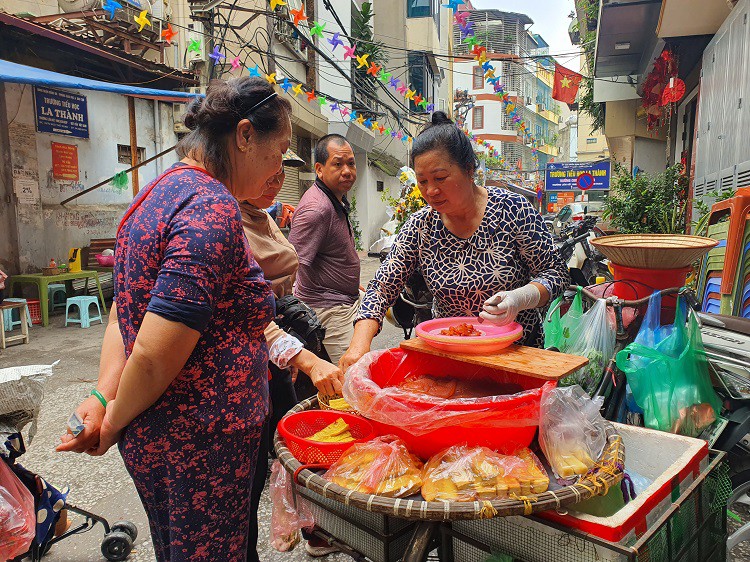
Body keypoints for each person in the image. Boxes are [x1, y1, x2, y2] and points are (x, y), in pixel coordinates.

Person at [56, 77, 292, 562]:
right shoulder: (211, 206)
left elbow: (126, 313)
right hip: (199, 447)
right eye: (280, 151)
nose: (280, 169)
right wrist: (111, 422)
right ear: (244, 135)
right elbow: (154, 349)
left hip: (165, 439)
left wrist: (104, 396)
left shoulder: (155, 194)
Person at [341, 112, 569, 371]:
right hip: (449, 357)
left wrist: (521, 298)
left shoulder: (512, 209)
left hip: (516, 356)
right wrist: (358, 346)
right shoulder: (420, 226)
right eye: (422, 181)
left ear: (469, 170)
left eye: (440, 178)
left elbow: (556, 272)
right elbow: (382, 288)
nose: (431, 191)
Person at [240, 150, 344, 561]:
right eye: (271, 163)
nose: (279, 176)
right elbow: (246, 310)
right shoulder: (221, 218)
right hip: (258, 351)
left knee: (293, 436)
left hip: (285, 332)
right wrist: (306, 358)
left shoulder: (264, 215)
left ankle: (308, 526)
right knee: (271, 452)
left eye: (283, 167)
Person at [288, 134, 361, 367]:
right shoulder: (316, 209)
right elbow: (293, 264)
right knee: (353, 376)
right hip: (329, 308)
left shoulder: (335, 199)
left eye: (351, 163)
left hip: (344, 300)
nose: (347, 170)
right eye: (338, 164)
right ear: (319, 169)